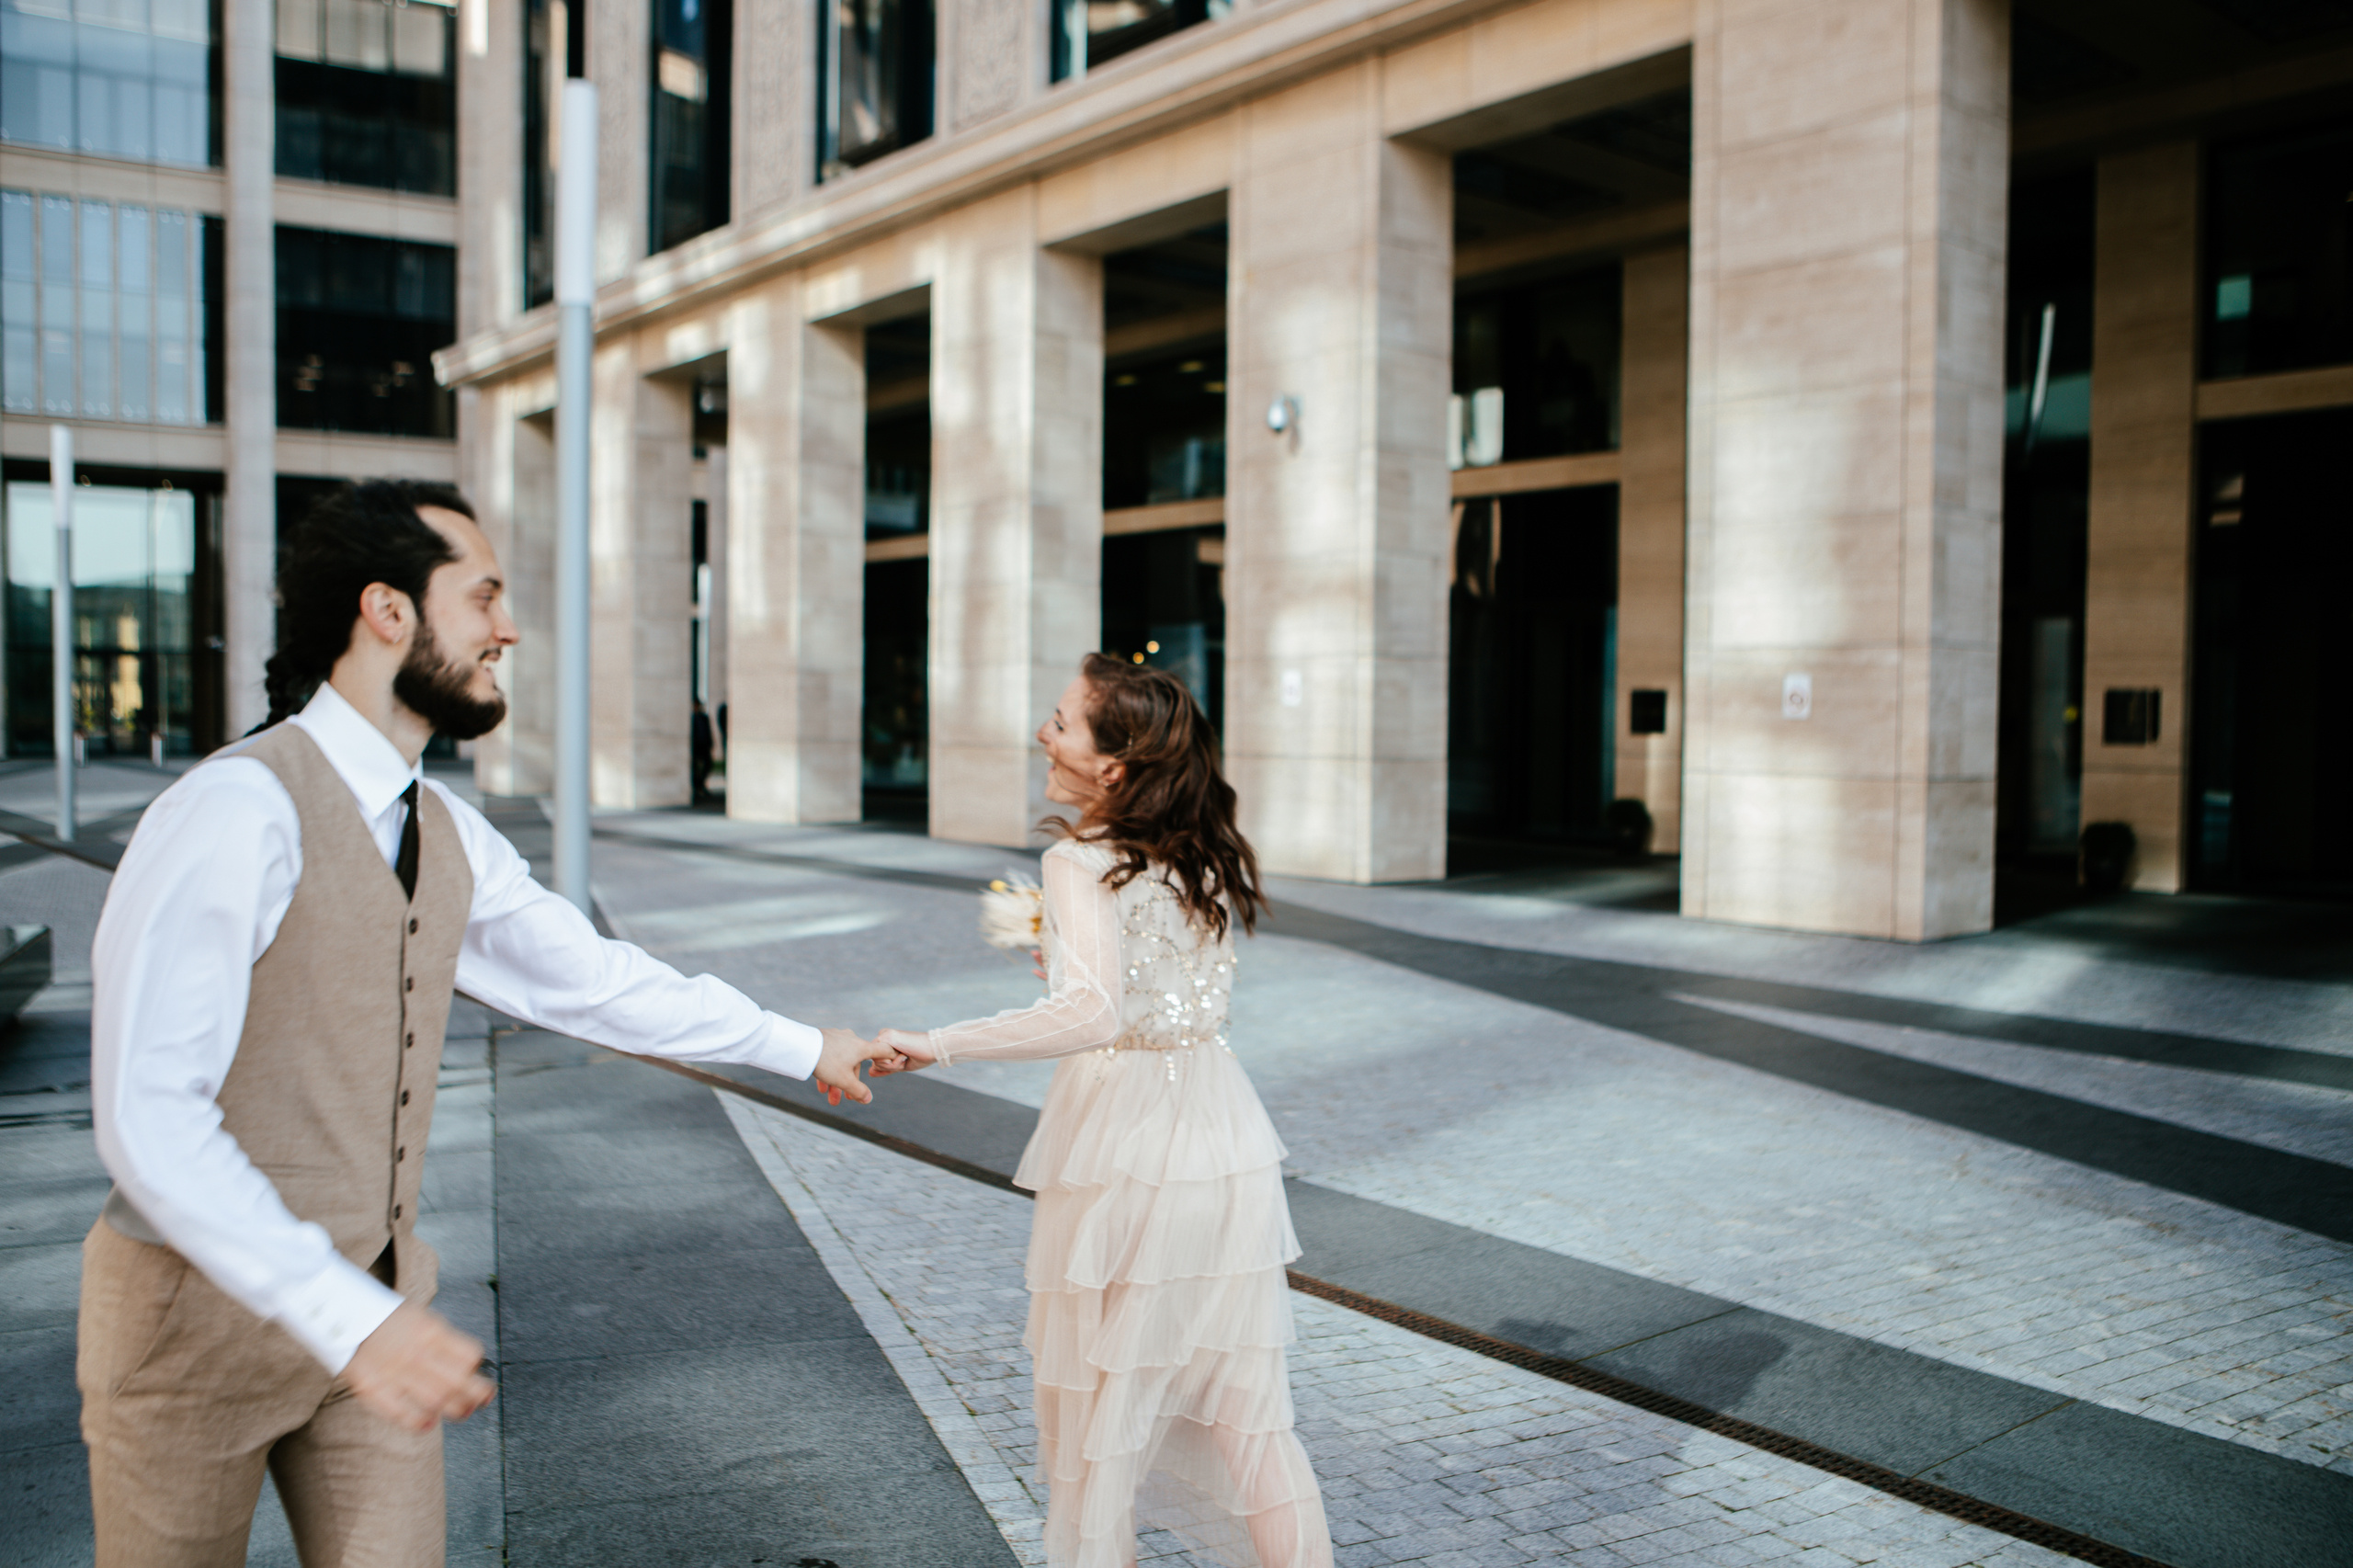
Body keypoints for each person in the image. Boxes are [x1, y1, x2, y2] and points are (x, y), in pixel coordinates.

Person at [80, 479, 891, 1568]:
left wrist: (803, 1045)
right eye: (484, 597)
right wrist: (348, 1312)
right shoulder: (236, 811)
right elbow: (148, 1116)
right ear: (389, 610)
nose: (507, 628)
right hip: (192, 1334)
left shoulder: (445, 826)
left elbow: (591, 978)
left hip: (376, 1314)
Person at [874, 653, 1333, 1568]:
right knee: (1249, 1413)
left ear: (1112, 767)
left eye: (1060, 721)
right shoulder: (1196, 849)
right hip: (1220, 1127)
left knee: (1098, 1414)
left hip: (1127, 1135)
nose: (1042, 732)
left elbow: (1091, 1013)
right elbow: (1151, 984)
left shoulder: (1078, 858)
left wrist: (940, 1040)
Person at [690, 699, 716, 803]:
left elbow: (708, 731)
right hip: (695, 746)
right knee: (695, 767)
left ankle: (700, 784)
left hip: (704, 745)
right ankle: (697, 786)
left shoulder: (704, 717)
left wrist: (711, 742)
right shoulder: (691, 718)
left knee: (708, 765)